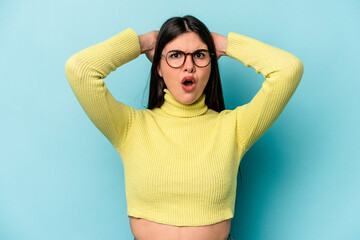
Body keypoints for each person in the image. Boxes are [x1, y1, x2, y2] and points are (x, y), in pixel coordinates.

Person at [65, 15, 303, 240]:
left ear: (211, 65)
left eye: (199, 55)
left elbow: (288, 69)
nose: (188, 66)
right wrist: (145, 42)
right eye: (176, 55)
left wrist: (222, 44)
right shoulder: (130, 126)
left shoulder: (234, 128)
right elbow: (80, 69)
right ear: (158, 67)